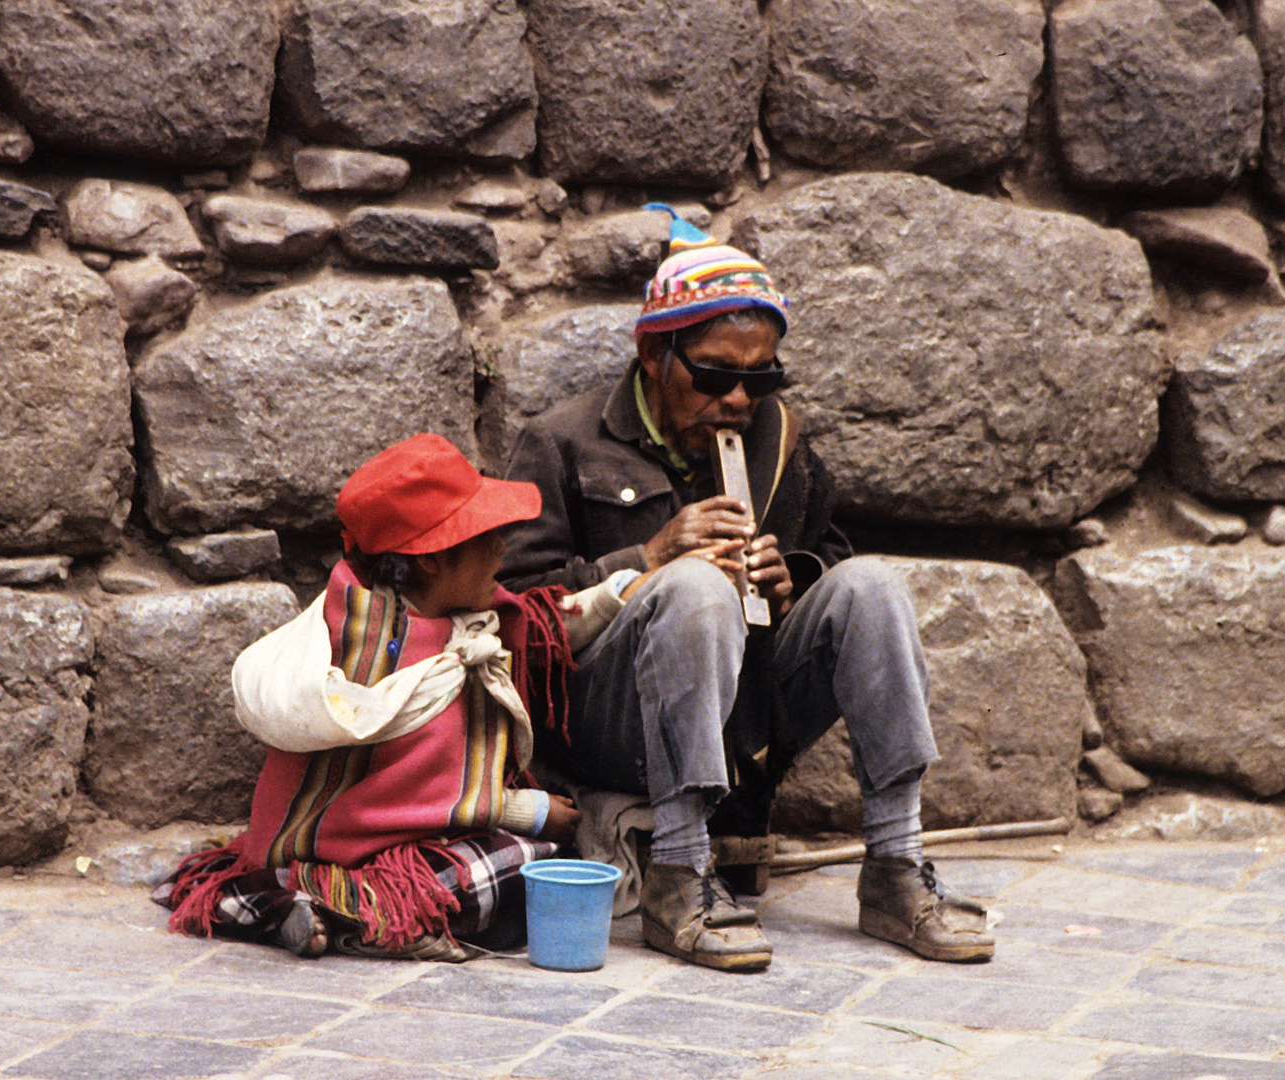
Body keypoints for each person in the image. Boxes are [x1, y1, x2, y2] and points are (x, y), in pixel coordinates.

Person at [501, 207, 994, 971]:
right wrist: (646, 556)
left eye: (758, 377)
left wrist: (793, 578)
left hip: (741, 715)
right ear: (654, 355)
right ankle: (680, 873)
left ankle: (896, 866)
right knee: (694, 587)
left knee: (871, 588)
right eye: (715, 374)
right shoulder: (563, 442)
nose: (737, 399)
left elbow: (827, 547)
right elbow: (510, 613)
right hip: (606, 721)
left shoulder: (778, 438)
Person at [157, 433, 639, 962]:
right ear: (431, 560)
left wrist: (618, 595)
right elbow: (387, 798)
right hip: (345, 851)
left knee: (532, 866)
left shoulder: (459, 614)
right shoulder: (372, 651)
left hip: (377, 852)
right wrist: (524, 809)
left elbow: (542, 623)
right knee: (522, 864)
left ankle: (286, 910)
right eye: (486, 536)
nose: (503, 546)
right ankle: (353, 918)